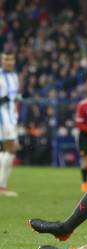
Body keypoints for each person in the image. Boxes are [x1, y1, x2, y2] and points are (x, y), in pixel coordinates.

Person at [0, 50, 20, 196]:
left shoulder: (14, 76)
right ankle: (2, 186)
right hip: (2, 116)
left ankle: (2, 185)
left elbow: (14, 96)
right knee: (12, 148)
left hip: (12, 116)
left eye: (11, 59)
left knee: (8, 150)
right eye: (6, 59)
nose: (9, 62)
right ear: (2, 61)